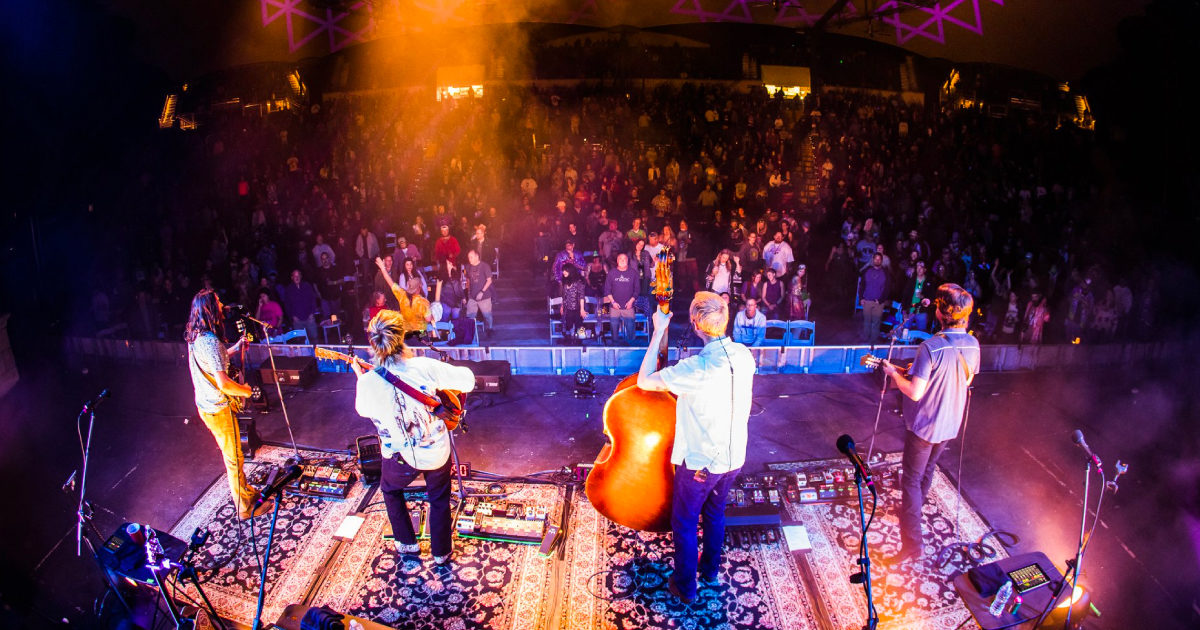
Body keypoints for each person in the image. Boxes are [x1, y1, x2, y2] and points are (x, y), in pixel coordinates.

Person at [634, 291, 756, 604]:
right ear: (725, 320)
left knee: (685, 522)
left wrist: (659, 329)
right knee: (715, 514)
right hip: (735, 457)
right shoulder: (744, 355)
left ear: (696, 325)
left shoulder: (696, 369)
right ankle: (710, 572)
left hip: (701, 463)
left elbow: (645, 381)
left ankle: (686, 587)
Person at [352, 310, 476, 565]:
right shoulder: (423, 366)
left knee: (389, 489)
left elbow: (363, 410)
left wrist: (360, 377)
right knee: (439, 497)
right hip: (435, 451)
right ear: (402, 336)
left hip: (399, 456)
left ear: (372, 343)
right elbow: (469, 380)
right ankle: (441, 553)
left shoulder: (367, 382)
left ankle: (407, 543)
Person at [877, 284, 980, 565]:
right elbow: (966, 380)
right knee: (928, 470)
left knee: (910, 479)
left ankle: (912, 544)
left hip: (925, 426)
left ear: (940, 312)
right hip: (950, 423)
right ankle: (914, 510)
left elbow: (915, 393)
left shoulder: (930, 346)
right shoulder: (973, 344)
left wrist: (893, 374)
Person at [185, 289, 270, 520]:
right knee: (233, 458)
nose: (223, 305)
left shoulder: (197, 337)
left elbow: (216, 364)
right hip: (217, 409)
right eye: (218, 302)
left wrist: (234, 348)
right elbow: (223, 383)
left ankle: (246, 492)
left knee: (235, 455)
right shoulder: (210, 341)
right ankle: (244, 508)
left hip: (207, 406)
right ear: (211, 309)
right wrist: (248, 391)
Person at [604, 252, 639, 345]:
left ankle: (631, 348)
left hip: (629, 306)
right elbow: (607, 290)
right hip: (614, 307)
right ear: (617, 261)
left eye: (624, 259)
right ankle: (615, 347)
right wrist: (613, 302)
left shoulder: (633, 273)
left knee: (631, 328)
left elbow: (637, 290)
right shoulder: (612, 273)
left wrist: (631, 302)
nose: (622, 261)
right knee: (614, 329)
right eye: (620, 259)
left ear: (627, 261)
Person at [278, 269, 321, 343]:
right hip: (297, 320)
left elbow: (313, 300)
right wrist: (292, 316)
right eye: (295, 276)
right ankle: (304, 354)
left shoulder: (307, 286)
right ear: (292, 277)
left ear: (301, 277)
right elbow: (287, 305)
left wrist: (312, 313)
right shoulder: (289, 289)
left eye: (298, 276)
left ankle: (316, 353)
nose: (297, 278)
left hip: (309, 317)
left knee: (314, 337)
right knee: (300, 340)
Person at [858, 253, 889, 342]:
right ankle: (865, 342)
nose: (877, 261)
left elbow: (887, 288)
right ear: (873, 260)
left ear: (881, 261)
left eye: (879, 259)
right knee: (867, 322)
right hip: (867, 300)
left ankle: (873, 343)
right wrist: (861, 298)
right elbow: (862, 285)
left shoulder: (885, 273)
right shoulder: (867, 271)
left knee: (876, 323)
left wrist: (881, 300)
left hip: (878, 302)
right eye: (876, 259)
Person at [465, 249, 495, 335]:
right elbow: (468, 279)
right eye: (469, 257)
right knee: (470, 316)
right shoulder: (468, 267)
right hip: (472, 297)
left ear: (477, 256)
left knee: (487, 315)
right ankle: (470, 333)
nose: (469, 259)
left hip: (484, 296)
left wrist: (482, 292)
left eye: (471, 257)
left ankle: (490, 329)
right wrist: (468, 292)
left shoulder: (484, 266)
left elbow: (489, 280)